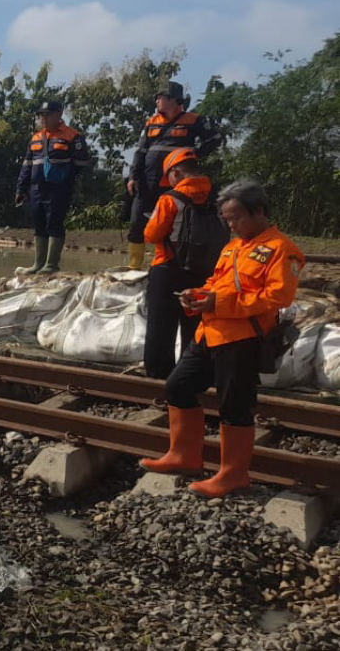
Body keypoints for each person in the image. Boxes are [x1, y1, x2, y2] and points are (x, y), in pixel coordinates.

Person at [141, 180, 303, 497]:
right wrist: (198, 295)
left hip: (243, 338)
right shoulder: (232, 247)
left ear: (258, 212)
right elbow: (217, 282)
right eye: (227, 220)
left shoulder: (282, 250)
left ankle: (233, 475)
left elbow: (278, 298)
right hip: (210, 333)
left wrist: (219, 303)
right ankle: (184, 456)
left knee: (234, 406)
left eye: (235, 218)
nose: (231, 225)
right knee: (178, 385)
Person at [141, 148, 226, 379]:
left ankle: (159, 377)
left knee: (160, 330)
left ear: (176, 173)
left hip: (168, 270)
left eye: (168, 177)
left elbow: (151, 235)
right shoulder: (219, 198)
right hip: (206, 273)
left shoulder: (170, 200)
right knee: (196, 328)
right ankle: (191, 377)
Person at [126, 81, 222, 270]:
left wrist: (193, 155)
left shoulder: (194, 120)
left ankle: (170, 262)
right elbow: (140, 151)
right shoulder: (151, 122)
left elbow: (215, 139)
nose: (156, 101)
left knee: (174, 223)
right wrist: (132, 177)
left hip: (177, 182)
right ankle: (134, 266)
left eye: (160, 97)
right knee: (137, 221)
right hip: (148, 180)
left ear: (172, 99)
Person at [15, 101, 91, 274]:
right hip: (36, 189)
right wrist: (20, 189)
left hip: (58, 189)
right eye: (41, 115)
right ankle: (38, 264)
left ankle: (51, 265)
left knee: (54, 223)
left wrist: (66, 177)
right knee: (39, 224)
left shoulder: (72, 136)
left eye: (47, 115)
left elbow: (82, 163)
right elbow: (26, 165)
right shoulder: (35, 137)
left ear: (58, 115)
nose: (43, 118)